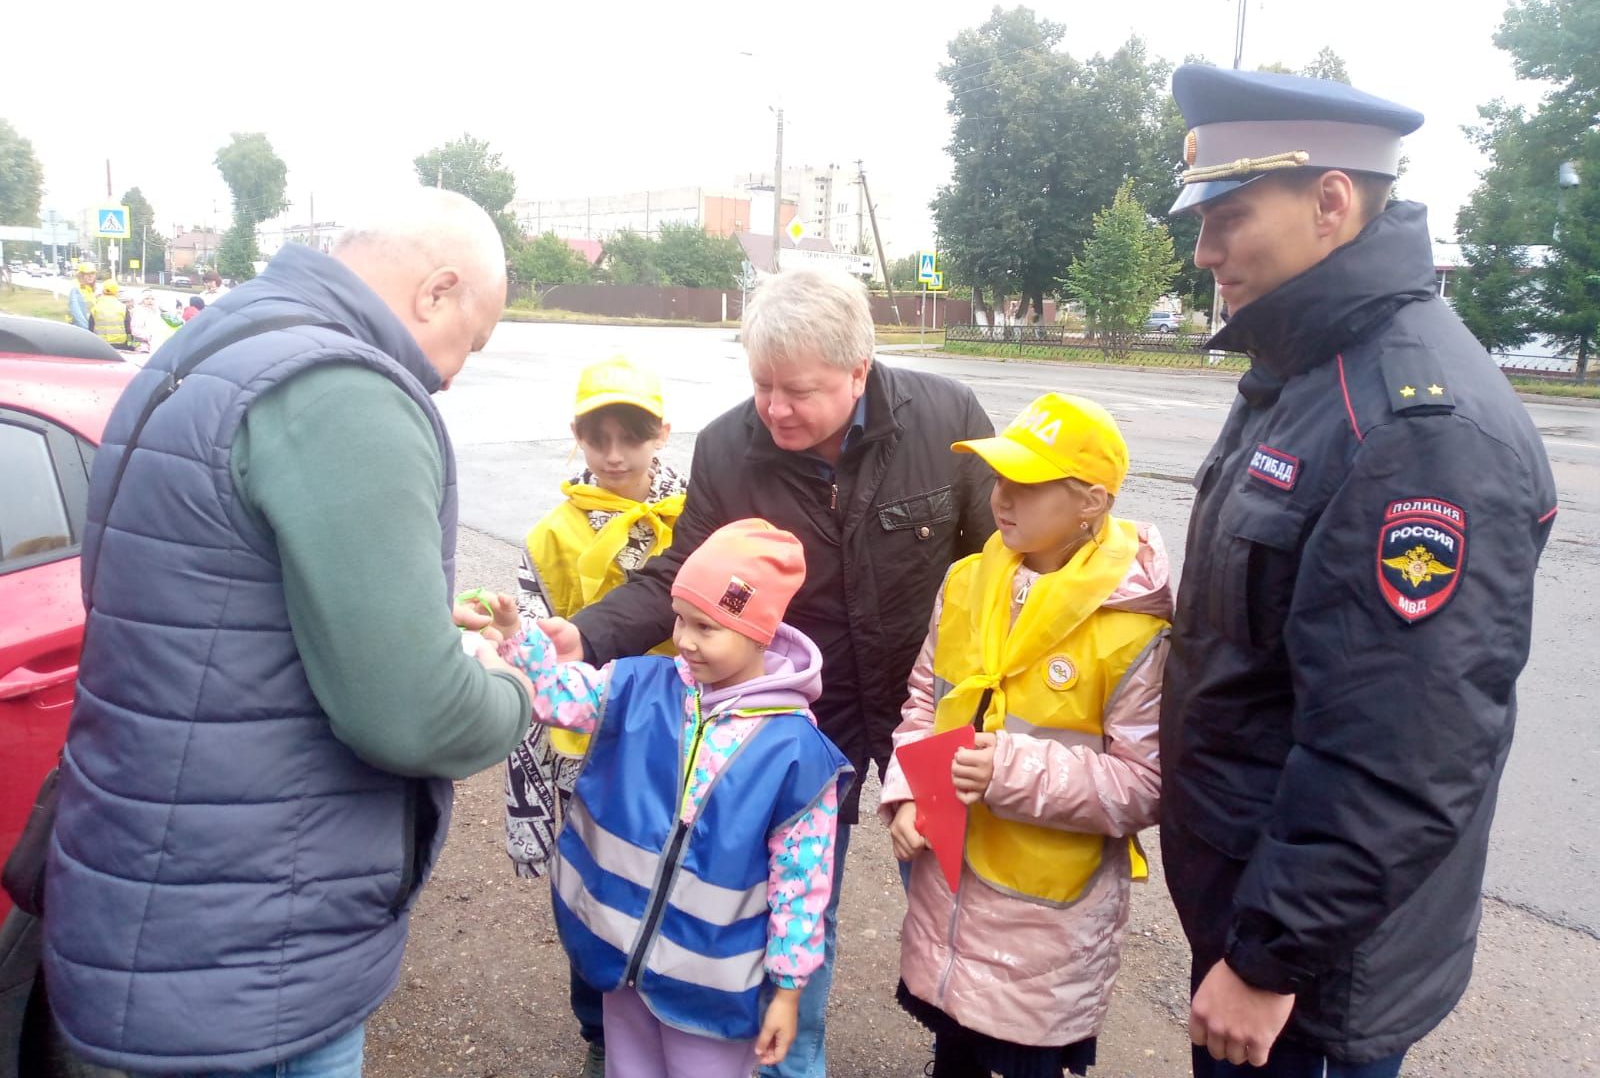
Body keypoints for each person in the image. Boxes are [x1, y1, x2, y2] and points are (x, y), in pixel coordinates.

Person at [43, 188, 537, 1077]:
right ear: (436, 290)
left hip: (153, 899)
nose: (456, 374)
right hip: (249, 956)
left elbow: (217, 604)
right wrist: (506, 687)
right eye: (475, 338)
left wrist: (408, 621)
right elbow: (416, 717)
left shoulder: (208, 347)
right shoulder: (341, 390)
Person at [1158, 65, 1559, 1077]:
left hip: (1314, 977)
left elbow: (1402, 746)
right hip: (1261, 915)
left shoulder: (1414, 425)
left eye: (1229, 217)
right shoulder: (1306, 370)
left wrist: (1269, 960)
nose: (1203, 252)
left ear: (1330, 203)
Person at [565, 267, 996, 1077]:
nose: (776, 410)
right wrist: (583, 637)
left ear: (860, 368)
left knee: (952, 898)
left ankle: (967, 1055)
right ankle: (791, 1064)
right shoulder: (731, 446)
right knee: (797, 906)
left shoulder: (948, 419)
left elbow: (995, 566)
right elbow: (680, 576)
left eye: (799, 391)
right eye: (763, 386)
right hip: (799, 713)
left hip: (931, 711)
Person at [462, 519, 852, 1078]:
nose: (685, 640)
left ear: (761, 633)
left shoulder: (795, 753)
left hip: (713, 986)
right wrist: (519, 642)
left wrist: (789, 990)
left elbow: (802, 880)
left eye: (707, 627)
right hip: (621, 961)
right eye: (681, 618)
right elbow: (558, 697)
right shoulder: (639, 685)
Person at [880, 393, 1171, 1078]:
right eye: (1000, 479)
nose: (1001, 499)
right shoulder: (966, 582)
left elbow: (1145, 784)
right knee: (952, 1051)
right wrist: (909, 796)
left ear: (1091, 503)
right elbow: (926, 700)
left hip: (1043, 925)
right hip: (949, 895)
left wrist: (1007, 771)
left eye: (1028, 486)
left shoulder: (1131, 630)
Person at [504, 354, 688, 1076]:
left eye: (631, 436)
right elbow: (532, 639)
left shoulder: (695, 519)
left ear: (661, 433)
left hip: (678, 739)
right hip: (588, 745)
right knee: (589, 881)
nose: (614, 455)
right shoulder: (550, 536)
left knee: (677, 872)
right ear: (577, 436)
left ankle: (670, 1011)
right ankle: (599, 1028)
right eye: (597, 436)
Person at [87, 279, 131, 347]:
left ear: (103, 291)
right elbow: (129, 329)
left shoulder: (95, 308)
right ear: (116, 292)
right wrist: (131, 345)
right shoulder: (123, 308)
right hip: (120, 344)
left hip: (100, 344)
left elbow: (90, 329)